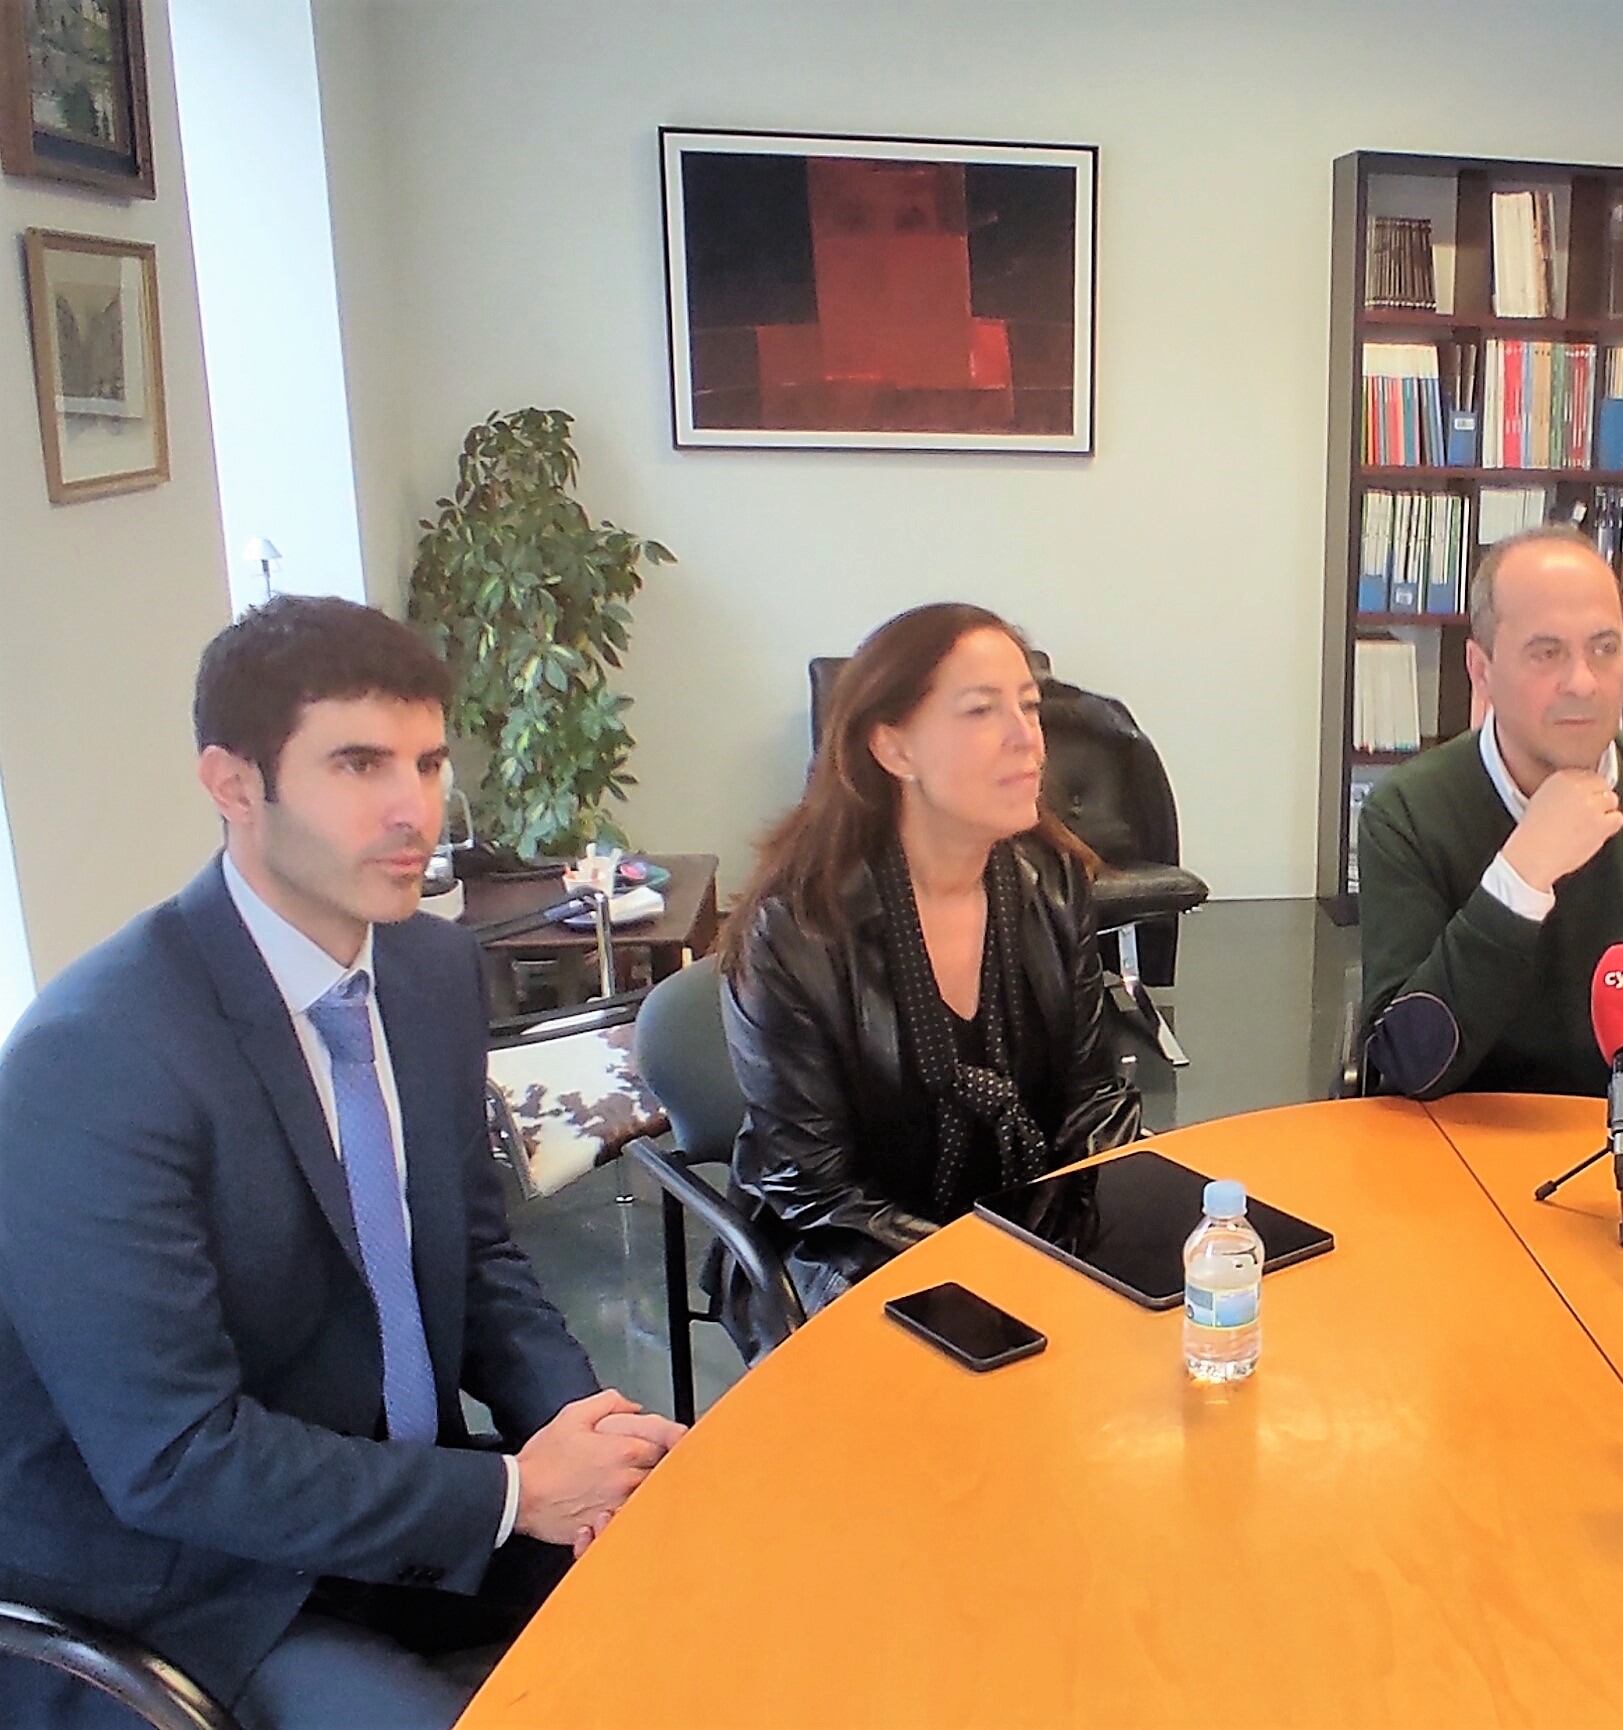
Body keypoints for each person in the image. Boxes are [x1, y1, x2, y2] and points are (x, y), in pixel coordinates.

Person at [0, 597, 684, 1730]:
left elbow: (475, 1253)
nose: (410, 807)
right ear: (232, 783)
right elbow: (176, 1456)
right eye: (357, 763)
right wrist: (517, 1489)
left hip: (383, 1499)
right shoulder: (93, 1062)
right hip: (184, 1583)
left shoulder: (424, 968)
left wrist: (590, 1432)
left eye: (425, 761)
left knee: (709, 1596)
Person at [715, 603, 1141, 1340]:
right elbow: (815, 1192)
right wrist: (983, 1278)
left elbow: (1091, 1100)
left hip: (1020, 1234)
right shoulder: (795, 930)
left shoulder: (1052, 881)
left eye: (1030, 707)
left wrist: (1104, 1242)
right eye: (981, 711)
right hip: (844, 1257)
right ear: (893, 748)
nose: (1028, 740)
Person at [1356, 524, 1623, 1112]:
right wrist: (1521, 876)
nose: (1583, 682)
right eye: (1546, 652)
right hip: (1459, 1160)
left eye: (1605, 648)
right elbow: (1406, 1068)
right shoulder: (1406, 816)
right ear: (1482, 669)